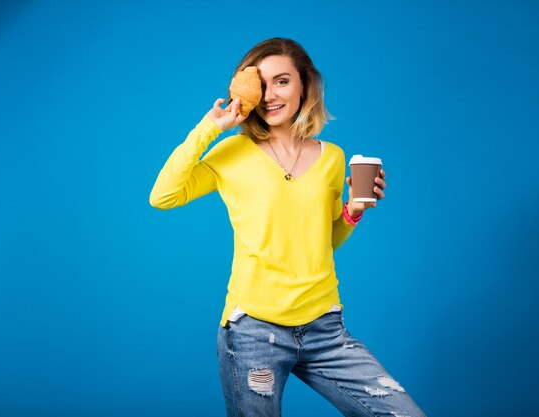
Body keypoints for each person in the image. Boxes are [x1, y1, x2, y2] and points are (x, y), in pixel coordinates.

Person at [149, 38, 426, 417]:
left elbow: (321, 242)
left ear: (304, 86)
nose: (269, 95)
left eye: (281, 81)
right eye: (259, 84)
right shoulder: (230, 153)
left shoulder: (332, 157)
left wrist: (354, 210)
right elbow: (163, 196)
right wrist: (210, 128)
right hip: (253, 333)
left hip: (325, 328)